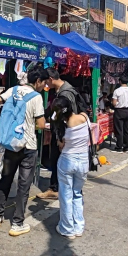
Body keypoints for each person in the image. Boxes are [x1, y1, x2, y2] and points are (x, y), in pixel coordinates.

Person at [0, 64, 48, 236]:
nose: (43, 86)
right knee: (23, 185)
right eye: (43, 83)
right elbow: (41, 125)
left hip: (11, 145)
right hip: (27, 148)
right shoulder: (36, 97)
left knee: (5, 178)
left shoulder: (13, 90)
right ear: (37, 81)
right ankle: (17, 223)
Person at [39, 68, 84, 200]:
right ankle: (56, 187)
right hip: (60, 133)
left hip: (62, 134)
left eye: (45, 81)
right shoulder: (62, 90)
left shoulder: (65, 93)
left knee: (59, 161)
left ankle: (57, 189)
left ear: (50, 79)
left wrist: (61, 137)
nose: (45, 84)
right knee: (56, 161)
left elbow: (65, 118)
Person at [50, 95, 90, 239]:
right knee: (77, 193)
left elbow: (61, 146)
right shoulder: (85, 118)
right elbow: (83, 107)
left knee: (66, 195)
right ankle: (79, 227)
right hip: (83, 161)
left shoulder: (62, 127)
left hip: (67, 160)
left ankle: (67, 228)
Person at [111, 76, 128, 152]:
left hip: (119, 111)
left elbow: (114, 103)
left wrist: (118, 103)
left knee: (119, 129)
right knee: (127, 130)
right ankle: (126, 147)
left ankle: (119, 147)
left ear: (120, 81)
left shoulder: (117, 91)